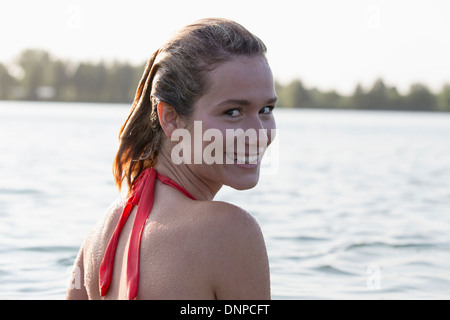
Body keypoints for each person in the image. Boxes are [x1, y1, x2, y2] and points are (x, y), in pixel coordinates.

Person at [66, 18, 277, 300]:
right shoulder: (229, 232)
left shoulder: (100, 238)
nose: (258, 134)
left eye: (266, 109)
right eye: (233, 112)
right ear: (171, 118)